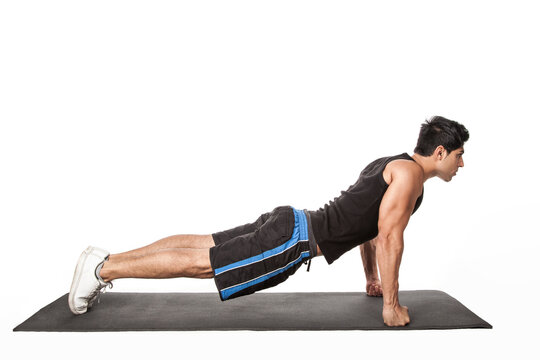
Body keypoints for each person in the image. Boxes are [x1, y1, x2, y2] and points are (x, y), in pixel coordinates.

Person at [68, 116, 469, 327]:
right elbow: (388, 238)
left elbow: (370, 231)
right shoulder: (412, 179)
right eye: (458, 155)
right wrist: (391, 305)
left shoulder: (392, 163)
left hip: (290, 220)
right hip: (293, 240)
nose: (461, 163)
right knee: (203, 263)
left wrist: (371, 280)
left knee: (201, 245)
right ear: (439, 152)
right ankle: (105, 269)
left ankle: (104, 259)